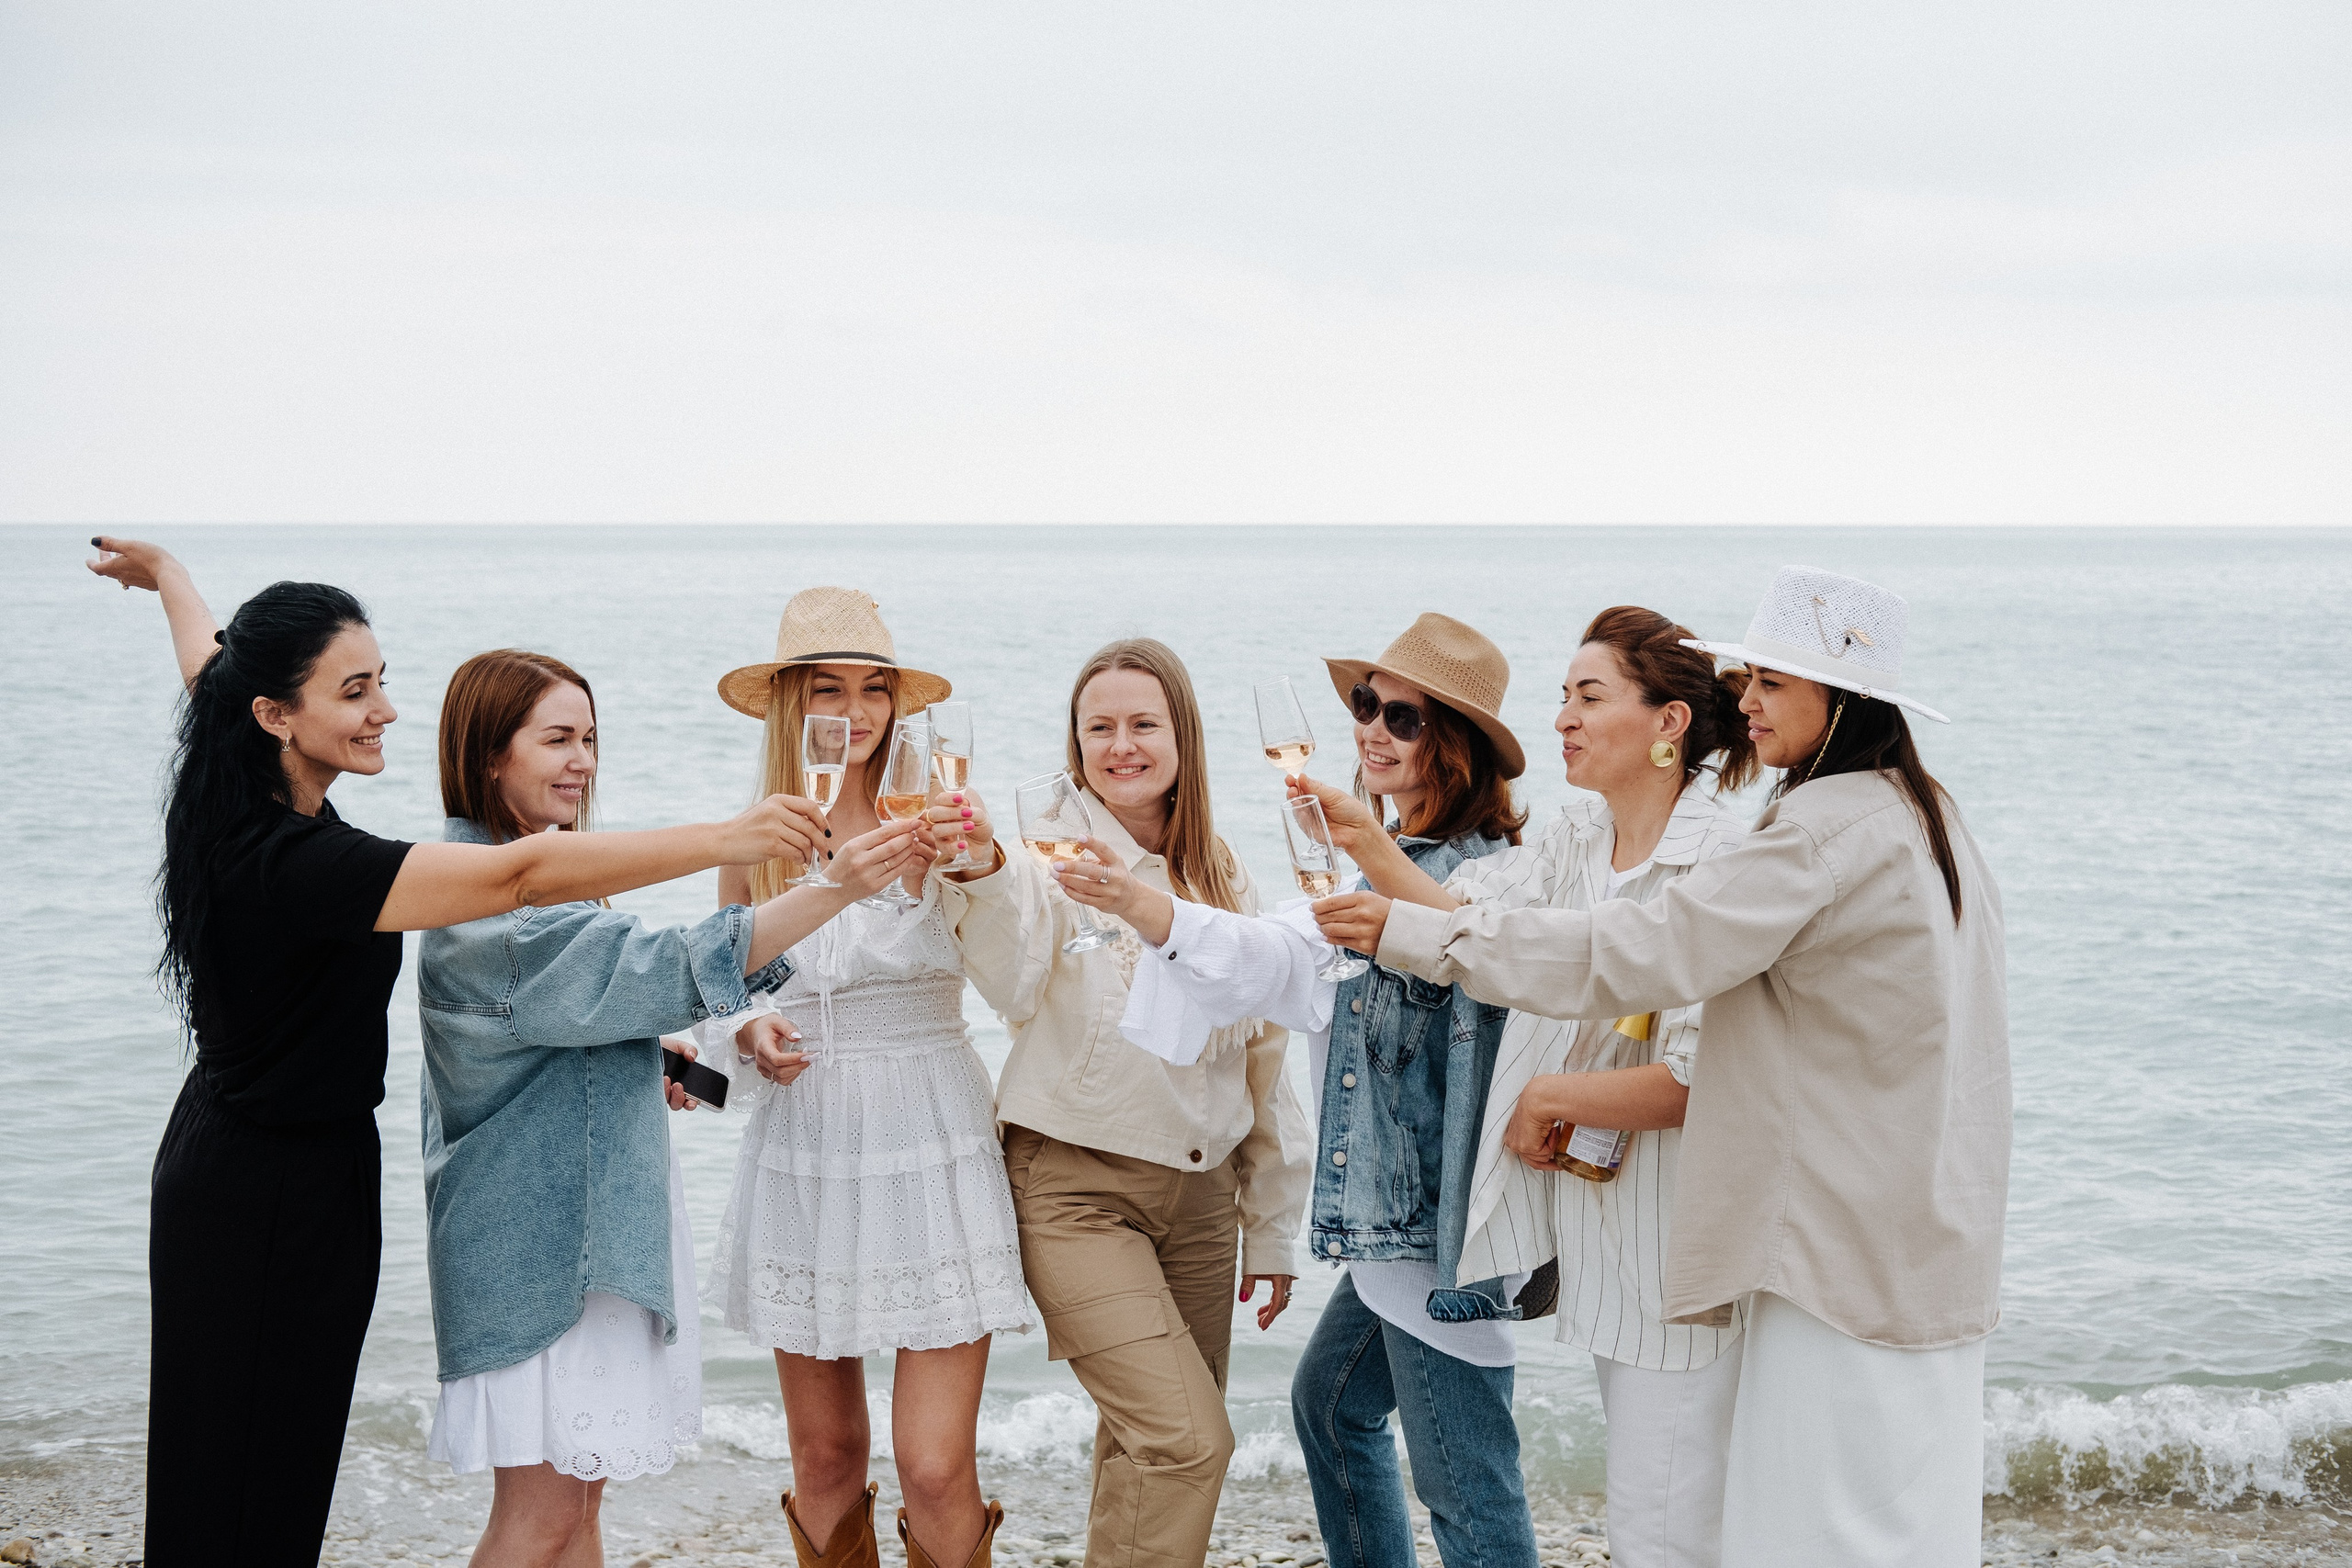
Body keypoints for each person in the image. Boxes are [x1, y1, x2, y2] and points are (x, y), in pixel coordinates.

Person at [87, 538, 821, 1566]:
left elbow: (216, 675)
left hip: (294, 1171)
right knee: (242, 1482)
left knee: (270, 1469)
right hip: (262, 1190)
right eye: (356, 689)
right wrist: (727, 838)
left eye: (380, 679)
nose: (386, 706)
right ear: (278, 716)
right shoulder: (296, 861)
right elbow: (518, 880)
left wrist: (169, 577)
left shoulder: (249, 784)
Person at [1316, 568, 2008, 1568]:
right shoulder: (1920, 816)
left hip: (1822, 1242)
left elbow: (1633, 953)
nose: (1750, 702)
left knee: (1759, 1528)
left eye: (1772, 682)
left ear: (1842, 699)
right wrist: (1387, 883)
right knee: (1886, 1513)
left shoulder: (1813, 834)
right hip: (1908, 1233)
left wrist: (1414, 944)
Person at [418, 649, 931, 1567]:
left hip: (565, 1244)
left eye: (590, 739)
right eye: (557, 740)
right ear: (491, 755)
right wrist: (836, 888)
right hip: (541, 1252)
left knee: (576, 1513)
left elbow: (552, 1020)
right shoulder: (496, 900)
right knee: (540, 1518)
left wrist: (636, 1052)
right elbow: (663, 964)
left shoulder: (514, 878)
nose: (582, 760)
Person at [1065, 614, 1545, 1568]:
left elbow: (1484, 957)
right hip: (1391, 1227)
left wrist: (1161, 908)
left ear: (1452, 746)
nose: (1370, 730)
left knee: (1464, 1478)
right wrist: (1147, 909)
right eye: (1365, 706)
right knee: (1329, 1409)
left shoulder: (1497, 880)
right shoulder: (1375, 865)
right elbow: (1273, 951)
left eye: (1401, 718)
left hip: (1445, 1230)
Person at [1306, 606, 1757, 1568]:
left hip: (1677, 1234)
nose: (1564, 717)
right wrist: (1365, 841)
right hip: (1600, 1226)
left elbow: (1700, 1074)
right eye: (1562, 697)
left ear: (1668, 723)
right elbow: (1474, 926)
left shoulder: (1718, 861)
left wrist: (1550, 1101)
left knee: (1661, 1527)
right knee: (1648, 1512)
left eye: (1588, 696)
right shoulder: (1582, 835)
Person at [935, 637, 1310, 1568]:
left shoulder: (1218, 870)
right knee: (1190, 1443)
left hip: (1199, 1203)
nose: (1120, 745)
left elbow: (1264, 1057)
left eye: (1143, 723)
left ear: (1182, 736)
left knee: (1146, 1449)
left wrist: (1269, 1227)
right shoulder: (1046, 850)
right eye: (1098, 726)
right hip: (1073, 1186)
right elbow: (1016, 968)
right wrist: (981, 866)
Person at [696, 589, 1032, 1568]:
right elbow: (720, 992)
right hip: (805, 1143)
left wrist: (980, 866)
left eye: (874, 688)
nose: (855, 710)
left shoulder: (941, 820)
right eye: (828, 687)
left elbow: (1019, 974)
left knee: (933, 1466)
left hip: (930, 1129)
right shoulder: (754, 840)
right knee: (826, 1452)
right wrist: (753, 1031)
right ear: (789, 706)